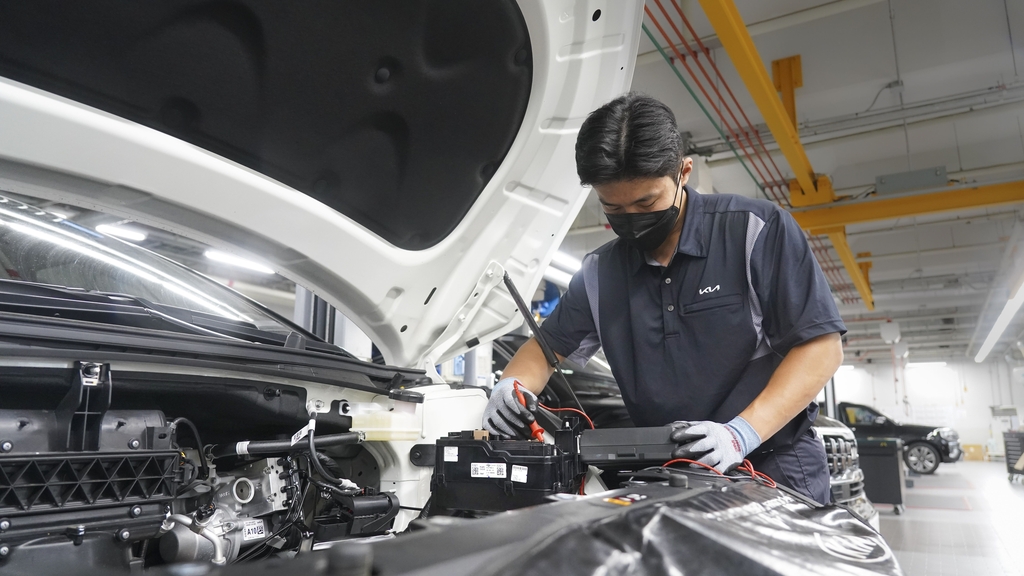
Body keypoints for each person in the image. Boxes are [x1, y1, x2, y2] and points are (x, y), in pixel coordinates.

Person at [482, 93, 845, 504]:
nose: (632, 220)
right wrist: (510, 385)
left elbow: (821, 349)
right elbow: (544, 350)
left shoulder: (754, 231)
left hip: (771, 464)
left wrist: (740, 434)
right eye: (613, 207)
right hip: (668, 472)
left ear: (684, 172)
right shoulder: (602, 272)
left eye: (646, 202)